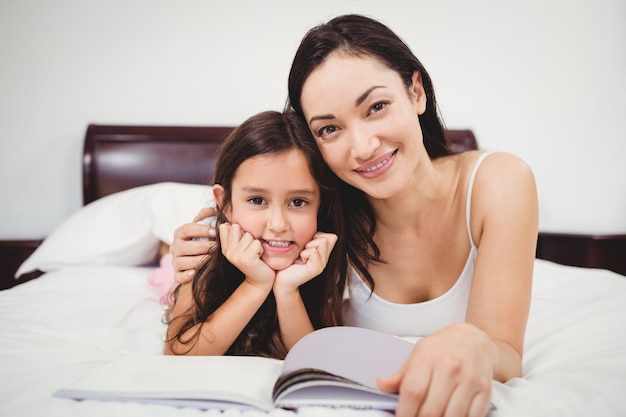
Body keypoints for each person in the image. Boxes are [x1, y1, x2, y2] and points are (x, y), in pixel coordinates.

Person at [171, 14, 539, 417]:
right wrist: (194, 247)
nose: (362, 147)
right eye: (329, 130)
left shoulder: (498, 183)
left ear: (416, 92)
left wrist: (475, 342)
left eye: (376, 106)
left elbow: (505, 351)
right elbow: (246, 222)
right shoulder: (318, 210)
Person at [164, 110, 347, 359]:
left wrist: (287, 290)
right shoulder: (205, 251)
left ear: (320, 205)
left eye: (298, 202)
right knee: (163, 269)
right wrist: (256, 284)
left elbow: (311, 360)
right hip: (185, 265)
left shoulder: (322, 255)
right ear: (225, 203)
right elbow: (177, 356)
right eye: (258, 200)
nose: (279, 224)